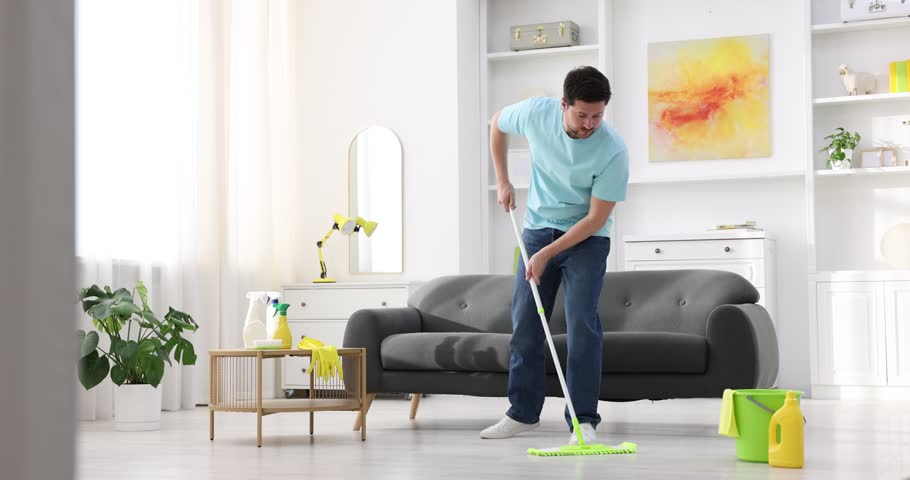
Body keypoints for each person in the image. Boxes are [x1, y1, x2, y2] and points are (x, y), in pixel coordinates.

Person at [480, 66, 629, 445]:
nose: (590, 124)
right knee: (526, 324)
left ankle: (583, 420)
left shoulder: (613, 150)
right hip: (536, 227)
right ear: (564, 105)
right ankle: (522, 413)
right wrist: (502, 179)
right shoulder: (535, 113)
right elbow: (496, 124)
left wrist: (547, 253)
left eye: (598, 115)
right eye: (582, 115)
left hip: (587, 238)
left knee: (582, 325)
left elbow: (596, 218)